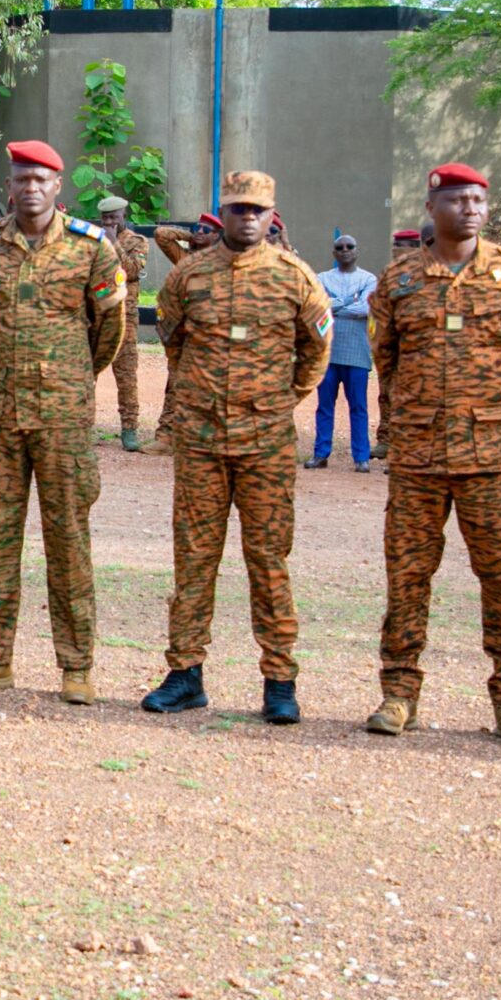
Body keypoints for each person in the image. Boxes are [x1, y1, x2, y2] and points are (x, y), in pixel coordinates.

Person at [367, 163, 501, 744]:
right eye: (457, 200)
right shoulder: (398, 282)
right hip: (419, 457)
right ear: (432, 208)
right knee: (408, 575)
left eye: (477, 200)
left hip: (491, 456)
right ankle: (399, 694)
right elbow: (387, 361)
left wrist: (487, 405)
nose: (469, 209)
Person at [140, 171, 332, 726]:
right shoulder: (188, 276)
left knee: (268, 561)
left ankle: (279, 679)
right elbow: (174, 343)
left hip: (265, 444)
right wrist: (205, 398)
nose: (248, 217)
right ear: (222, 211)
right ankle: (185, 675)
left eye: (258, 210)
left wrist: (274, 401)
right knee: (194, 559)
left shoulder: (296, 278)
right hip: (200, 442)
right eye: (238, 207)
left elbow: (314, 353)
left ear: (273, 216)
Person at [0, 141, 126, 704]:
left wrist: (70, 374)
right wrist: (6, 367)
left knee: (69, 541)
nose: (30, 189)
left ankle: (76, 667)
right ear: (9, 186)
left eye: (41, 180)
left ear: (58, 186)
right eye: (21, 179)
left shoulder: (92, 250)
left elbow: (110, 329)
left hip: (63, 422)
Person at [146, 215, 221, 452]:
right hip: (183, 336)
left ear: (217, 236)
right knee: (175, 384)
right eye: (197, 227)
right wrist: (191, 236)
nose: (199, 231)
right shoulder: (185, 259)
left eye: (205, 229)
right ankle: (166, 437)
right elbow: (162, 235)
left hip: (211, 337)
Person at [308, 233, 375, 472]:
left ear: (357, 250)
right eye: (340, 247)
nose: (345, 250)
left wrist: (335, 303)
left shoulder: (369, 279)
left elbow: (365, 308)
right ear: (334, 252)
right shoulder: (321, 278)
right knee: (324, 406)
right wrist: (349, 301)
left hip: (357, 353)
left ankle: (361, 457)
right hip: (327, 353)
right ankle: (320, 454)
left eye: (350, 246)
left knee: (359, 406)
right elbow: (317, 305)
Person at [97, 197, 152, 451]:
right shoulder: (93, 241)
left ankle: (129, 428)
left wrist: (113, 244)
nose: (109, 222)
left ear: (123, 215)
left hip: (125, 317)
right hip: (97, 315)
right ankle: (80, 426)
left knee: (126, 375)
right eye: (105, 218)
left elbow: (130, 271)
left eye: (114, 218)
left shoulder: (138, 242)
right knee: (88, 374)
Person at [375, 230, 423, 460]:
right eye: (396, 246)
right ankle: (385, 439)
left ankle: (404, 447)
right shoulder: (390, 275)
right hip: (390, 347)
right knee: (386, 395)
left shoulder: (427, 275)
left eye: (403, 246)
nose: (398, 251)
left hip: (415, 351)